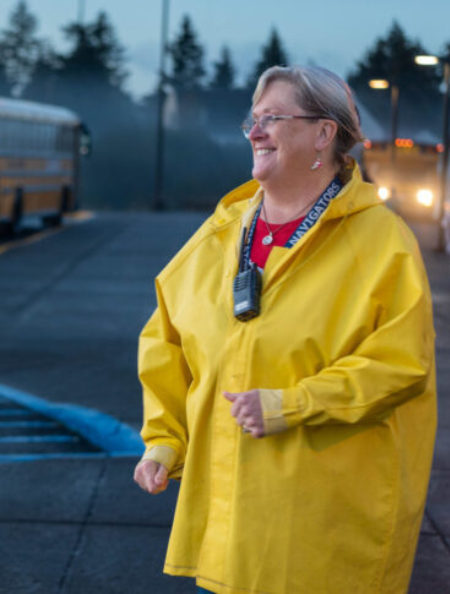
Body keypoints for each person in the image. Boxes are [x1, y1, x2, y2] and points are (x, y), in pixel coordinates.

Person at [134, 65, 437, 594]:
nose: (255, 131)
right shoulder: (221, 233)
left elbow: (400, 363)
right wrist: (165, 440)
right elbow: (167, 339)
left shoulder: (381, 242)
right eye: (253, 119)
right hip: (233, 529)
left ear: (325, 133)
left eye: (273, 118)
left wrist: (292, 404)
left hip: (326, 530)